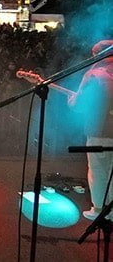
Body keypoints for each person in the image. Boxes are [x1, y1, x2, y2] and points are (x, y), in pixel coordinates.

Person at [67, 40, 113, 220]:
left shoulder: (94, 74)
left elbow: (79, 105)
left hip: (99, 131)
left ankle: (100, 210)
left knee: (99, 171)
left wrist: (72, 101)